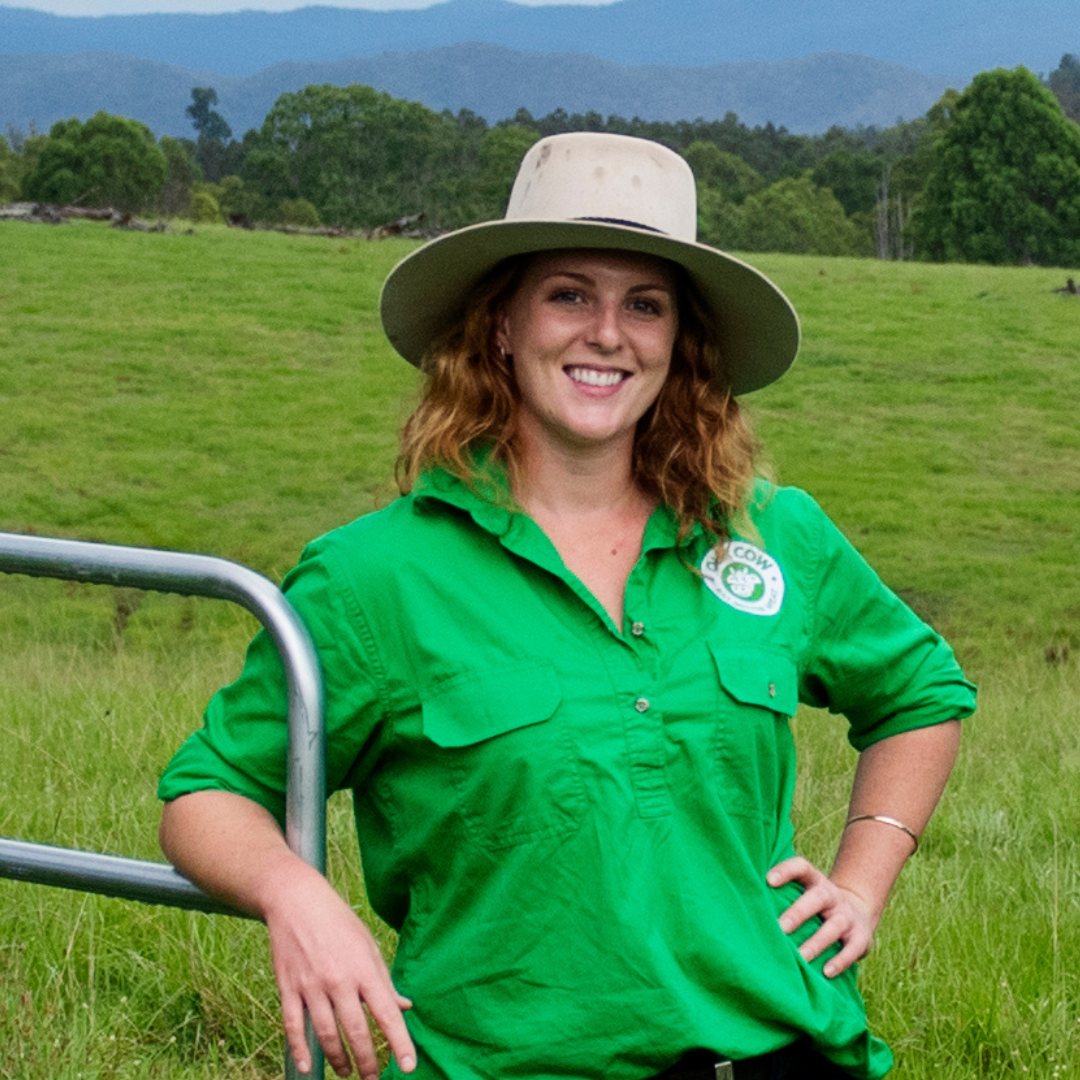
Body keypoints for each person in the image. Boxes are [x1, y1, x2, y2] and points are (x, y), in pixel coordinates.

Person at [158, 133, 976, 1080]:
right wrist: (296, 895)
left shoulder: (770, 533)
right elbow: (207, 793)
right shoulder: (374, 577)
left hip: (784, 1055)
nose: (608, 333)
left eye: (645, 304)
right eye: (569, 295)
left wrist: (864, 880)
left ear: (679, 342)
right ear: (501, 325)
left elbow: (922, 692)